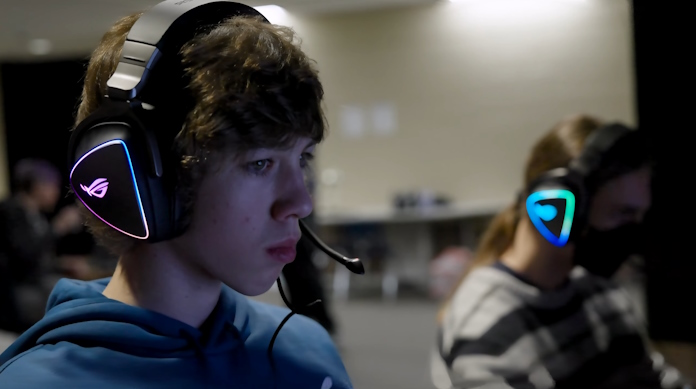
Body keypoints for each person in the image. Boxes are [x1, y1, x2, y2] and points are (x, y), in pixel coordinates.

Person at [0, 2, 352, 388]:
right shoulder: (35, 382)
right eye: (259, 164)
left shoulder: (308, 351)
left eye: (302, 158)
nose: (301, 203)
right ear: (142, 175)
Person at [431, 114, 689, 389]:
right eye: (622, 214)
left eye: (639, 216)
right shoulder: (486, 334)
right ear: (557, 209)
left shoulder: (601, 292)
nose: (634, 235)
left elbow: (654, 377)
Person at [0, 158, 82, 333]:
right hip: (17, 293)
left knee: (76, 288)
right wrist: (58, 227)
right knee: (72, 296)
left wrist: (61, 263)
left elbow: (38, 255)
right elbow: (24, 259)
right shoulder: (11, 211)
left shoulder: (34, 214)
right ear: (37, 186)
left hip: (33, 285)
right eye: (53, 186)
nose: (56, 192)